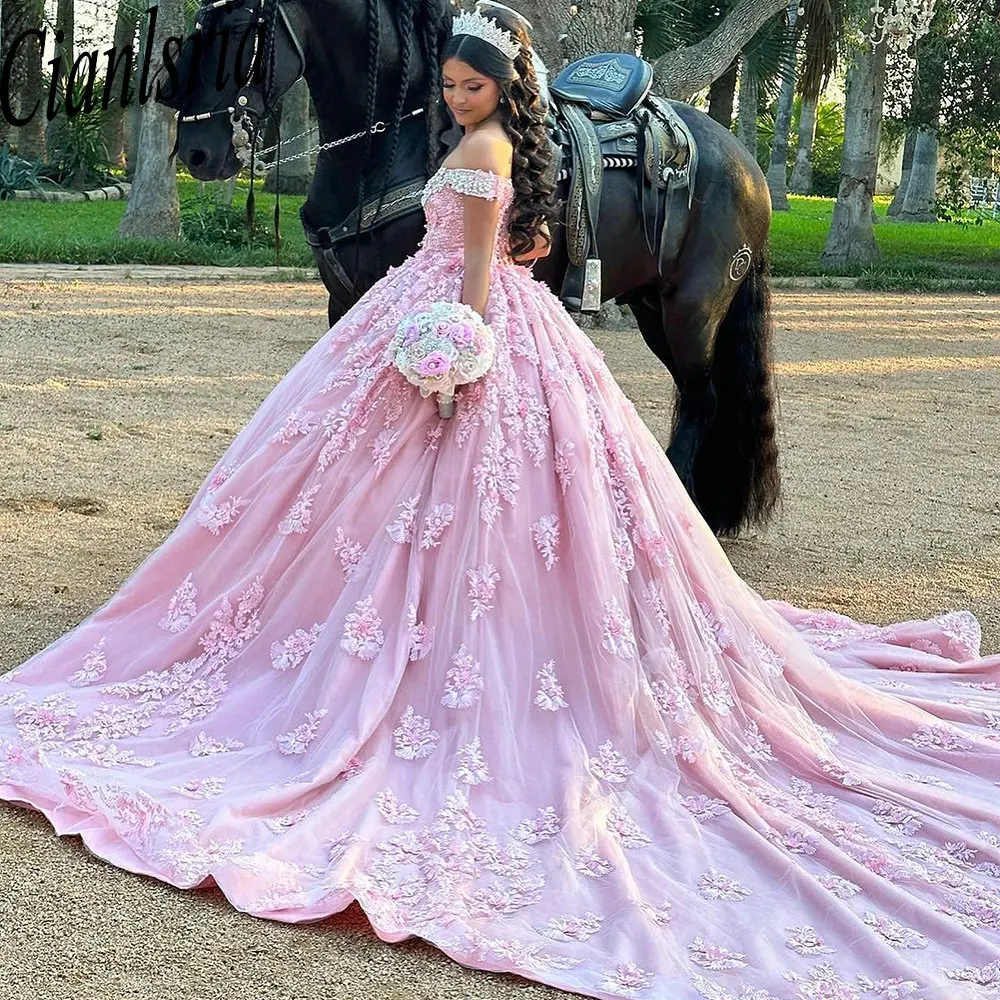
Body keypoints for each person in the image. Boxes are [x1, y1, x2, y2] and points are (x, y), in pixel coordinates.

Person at [2, 8, 1000, 1000]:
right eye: (447, 85)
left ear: (498, 91)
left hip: (458, 324)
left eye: (470, 87)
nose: (452, 98)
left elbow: (478, 280)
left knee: (465, 503)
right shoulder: (474, 138)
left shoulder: (481, 157)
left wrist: (454, 354)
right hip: (437, 306)